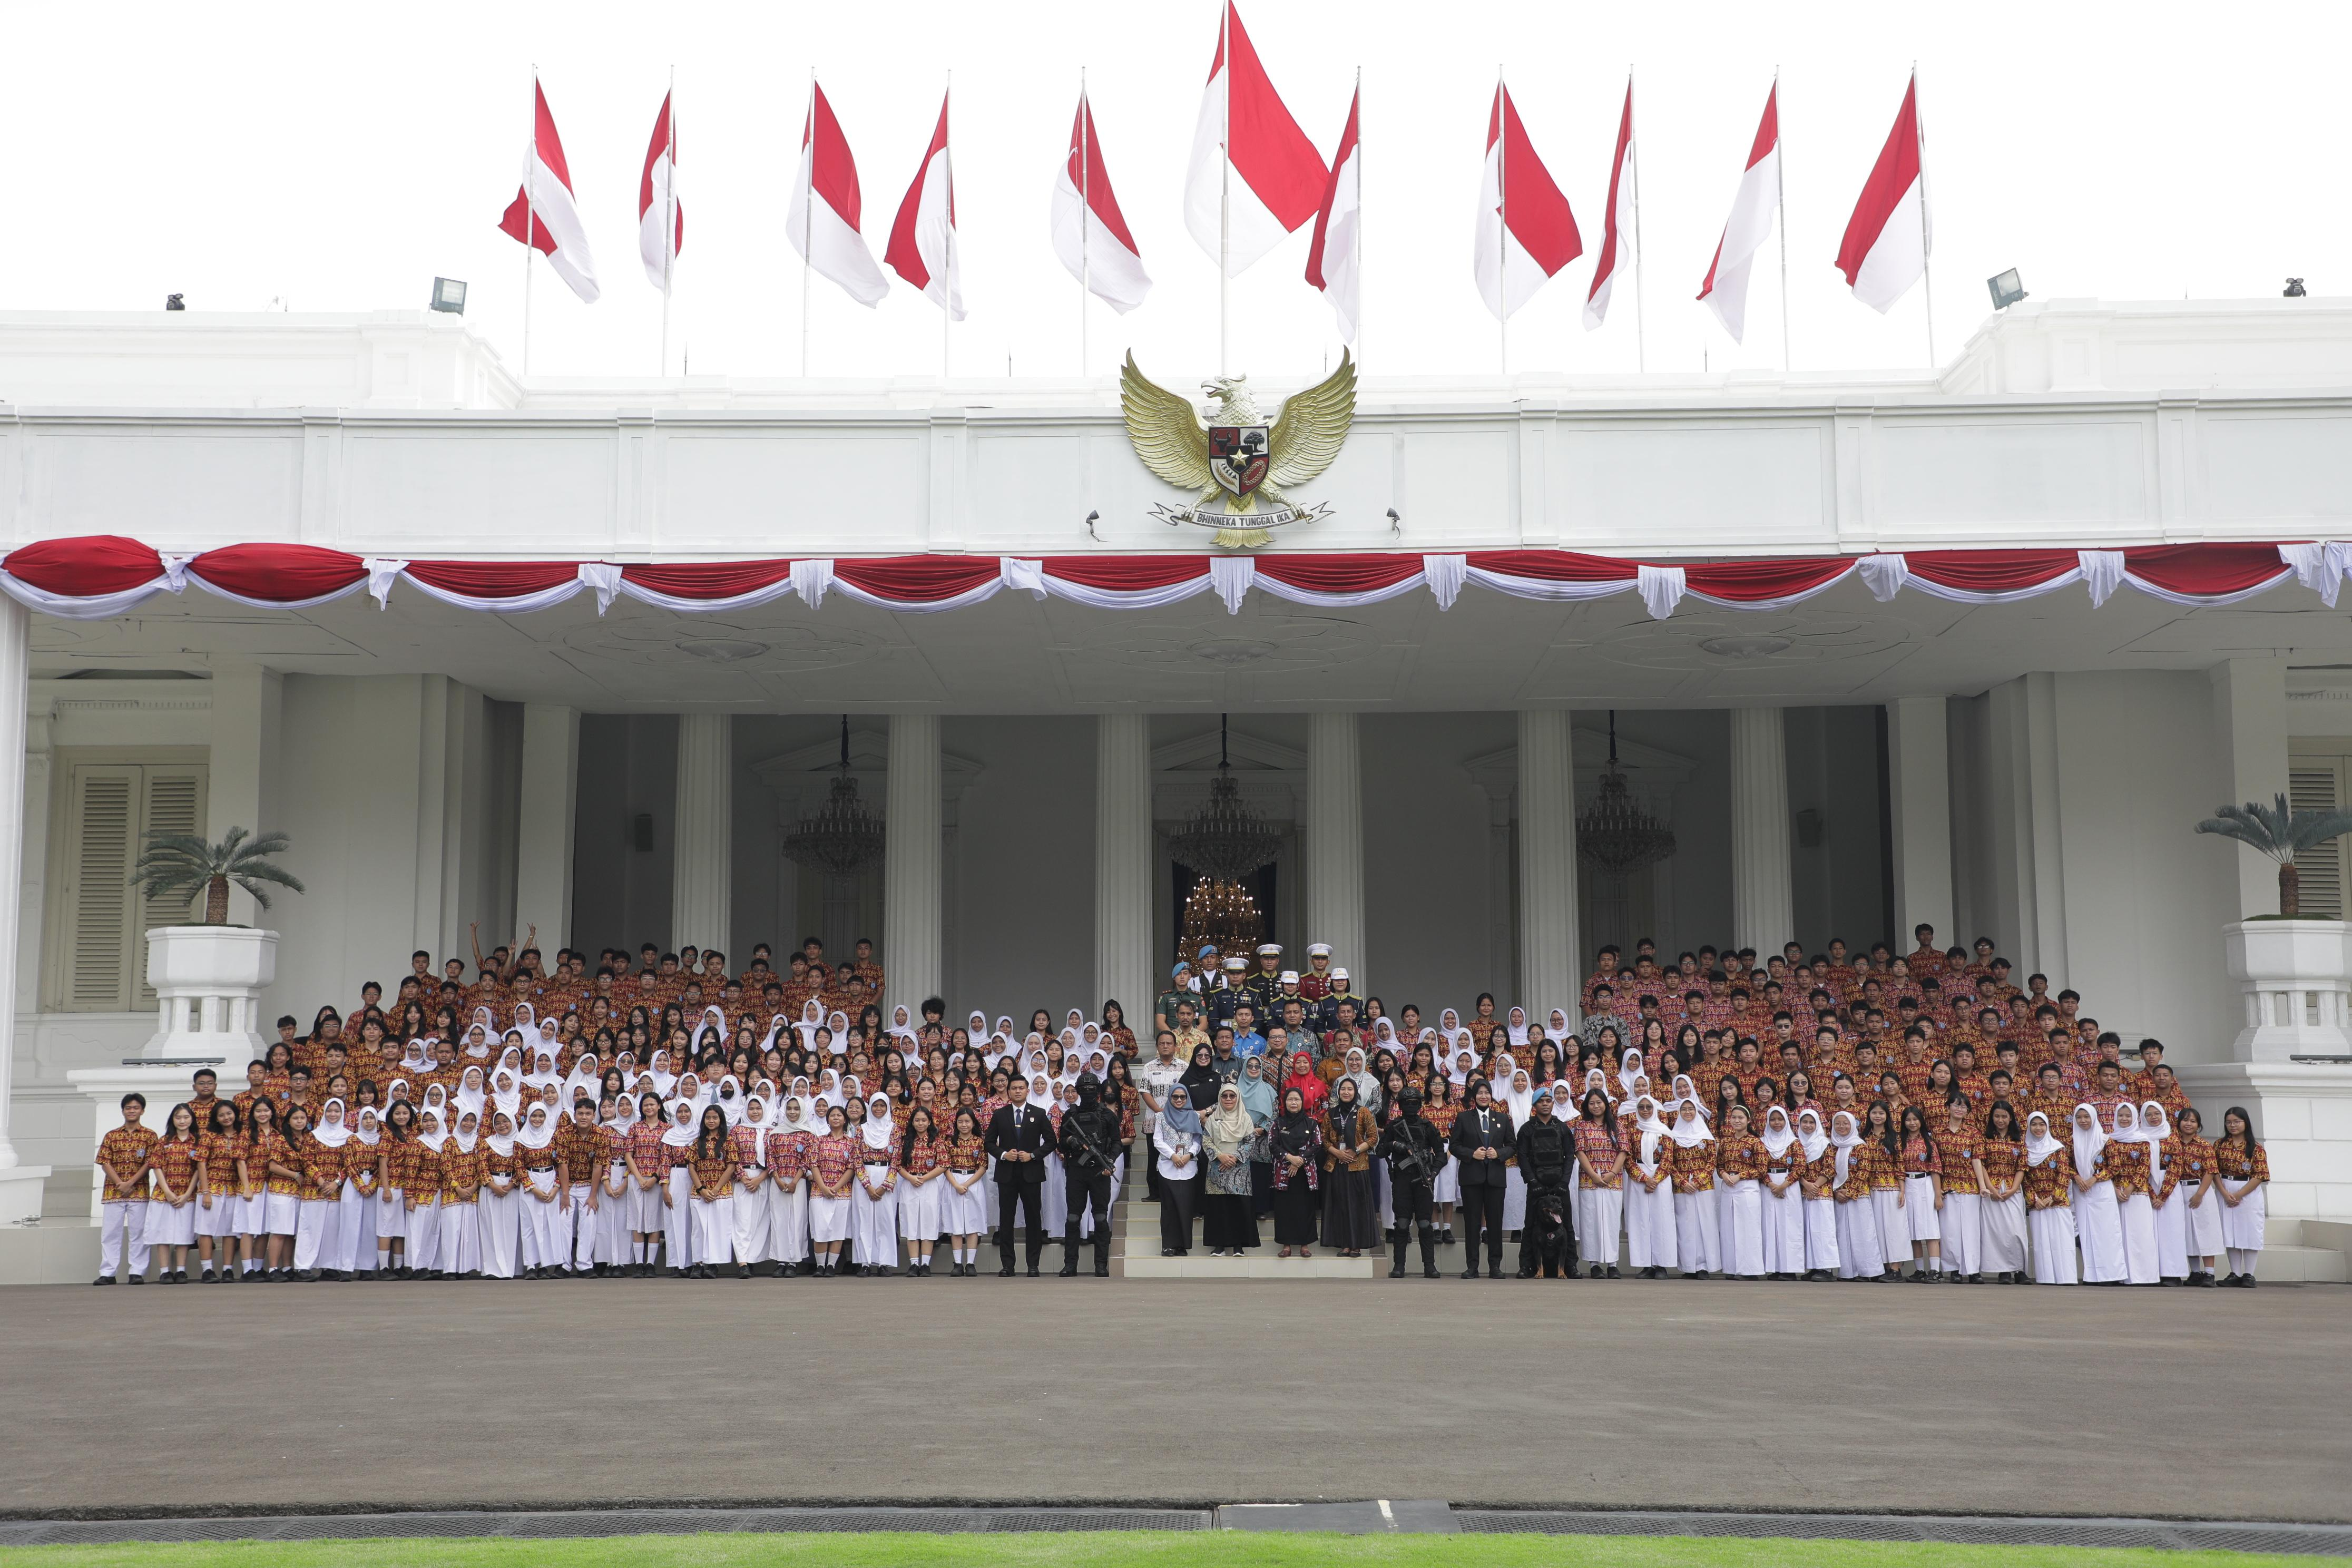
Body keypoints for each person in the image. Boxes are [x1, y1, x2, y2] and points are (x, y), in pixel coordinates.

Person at [985, 1077, 1052, 1277]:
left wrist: (1032, 1155)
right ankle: (1008, 1265)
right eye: (1013, 1088)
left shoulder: (1039, 1114)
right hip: (1007, 1174)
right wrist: (1005, 1155)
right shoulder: (999, 1114)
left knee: (1033, 1219)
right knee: (1006, 1220)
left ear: (1027, 1090)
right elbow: (989, 1142)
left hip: (1031, 1174)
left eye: (1021, 1088)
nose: (1017, 1091)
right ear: (1009, 1091)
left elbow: (1051, 1142)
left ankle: (1033, 1265)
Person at [1057, 1073, 1121, 1277]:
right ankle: (1070, 1265)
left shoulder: (1108, 1115)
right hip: (1076, 1170)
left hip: (1099, 1172)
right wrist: (1070, 1142)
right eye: (1083, 1090)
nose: (1088, 1093)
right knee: (1073, 1218)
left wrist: (1109, 1160)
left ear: (1098, 1091)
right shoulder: (1070, 1115)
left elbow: (1118, 1143)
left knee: (1101, 1218)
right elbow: (1060, 1141)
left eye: (1092, 1089)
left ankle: (1101, 1265)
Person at [1378, 1085, 1445, 1278]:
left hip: (1423, 1180)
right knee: (1401, 1223)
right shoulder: (1394, 1126)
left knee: (1425, 1223)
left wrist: (1434, 1171)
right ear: (1400, 1105)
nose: (1410, 1107)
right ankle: (1399, 1266)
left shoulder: (1427, 1127)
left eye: (1414, 1103)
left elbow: (1441, 1153)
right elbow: (1381, 1151)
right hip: (1402, 1179)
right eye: (1406, 1103)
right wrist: (1395, 1145)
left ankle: (1430, 1266)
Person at [1512, 1087, 1577, 1281]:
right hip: (1536, 1184)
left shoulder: (1562, 1128)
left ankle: (1571, 1266)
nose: (1546, 1104)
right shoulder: (1527, 1129)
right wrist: (1532, 1181)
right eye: (1542, 1101)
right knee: (1530, 1225)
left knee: (1567, 1226)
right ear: (1535, 1105)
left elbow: (1569, 1156)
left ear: (1553, 1103)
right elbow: (1522, 1156)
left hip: (1559, 1184)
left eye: (1549, 1100)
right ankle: (1526, 1266)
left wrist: (1564, 1181)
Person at [1449, 1080, 1512, 1280]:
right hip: (1471, 1178)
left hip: (1495, 1178)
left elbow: (1513, 1146)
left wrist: (1499, 1153)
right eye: (1479, 1093)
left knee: (1495, 1223)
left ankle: (1495, 1265)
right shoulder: (1464, 1118)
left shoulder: (1502, 1118)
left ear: (1491, 1096)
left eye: (1487, 1093)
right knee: (1472, 1223)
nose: (1483, 1096)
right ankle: (1472, 1266)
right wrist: (1471, 1154)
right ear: (1473, 1096)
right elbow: (1455, 1145)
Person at [94, 1093, 156, 1286]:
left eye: (136, 1108)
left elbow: (150, 1162)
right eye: (128, 1108)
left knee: (138, 1232)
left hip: (139, 1192)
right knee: (111, 1233)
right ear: (123, 1110)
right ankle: (108, 1272)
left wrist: (131, 1183)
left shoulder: (150, 1135)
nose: (132, 1111)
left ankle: (137, 1271)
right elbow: (104, 1162)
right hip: (114, 1192)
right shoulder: (112, 1135)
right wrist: (120, 1183)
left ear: (143, 1111)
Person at [1319, 1075, 1379, 1258]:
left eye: (1350, 1089)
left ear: (1355, 1092)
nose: (1346, 1092)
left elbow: (1373, 1137)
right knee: (1340, 1205)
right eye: (1343, 1089)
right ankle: (1344, 1244)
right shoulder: (1331, 1113)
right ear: (1338, 1092)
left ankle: (1357, 1245)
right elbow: (1324, 1138)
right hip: (1336, 1165)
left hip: (1357, 1165)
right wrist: (1336, 1152)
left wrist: (1355, 1151)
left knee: (1357, 1206)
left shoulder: (1364, 1112)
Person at [1572, 1089, 1624, 1278]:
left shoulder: (1617, 1126)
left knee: (1610, 1222)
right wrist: (1593, 1175)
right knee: (1590, 1222)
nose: (1596, 1106)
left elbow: (1623, 1151)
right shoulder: (1582, 1126)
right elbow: (1580, 1151)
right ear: (1587, 1106)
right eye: (1592, 1103)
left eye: (1599, 1102)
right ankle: (1594, 1265)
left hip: (1613, 1181)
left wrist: (1612, 1173)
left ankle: (1613, 1264)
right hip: (1589, 1181)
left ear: (1606, 1104)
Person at [2071, 1103, 2126, 1285]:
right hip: (2081, 1192)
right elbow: (2067, 1166)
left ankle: (2112, 1275)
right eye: (2079, 1117)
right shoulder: (2072, 1141)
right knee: (2087, 1233)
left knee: (2107, 1232)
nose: (2083, 1121)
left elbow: (2115, 1166)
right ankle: (2092, 1276)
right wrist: (2078, 1178)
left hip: (2102, 1190)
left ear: (2094, 1118)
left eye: (2087, 1117)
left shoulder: (2105, 1140)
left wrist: (2094, 1179)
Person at [1201, 1084, 1258, 1256]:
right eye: (1224, 1096)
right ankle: (1219, 1245)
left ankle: (1238, 1245)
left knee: (1238, 1208)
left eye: (1232, 1096)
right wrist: (1220, 1156)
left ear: (1237, 1098)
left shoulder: (1245, 1118)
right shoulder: (1213, 1119)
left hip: (1239, 1170)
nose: (1228, 1099)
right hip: (1217, 1170)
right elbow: (1207, 1140)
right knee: (1219, 1208)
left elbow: (1250, 1141)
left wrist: (1234, 1158)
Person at [2216, 1105, 2269, 1287]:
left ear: (2245, 1122)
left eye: (2237, 1121)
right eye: (2229, 1122)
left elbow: (2260, 1175)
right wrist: (2224, 1193)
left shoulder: (2255, 1147)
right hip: (2225, 1188)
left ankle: (2249, 1274)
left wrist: (2238, 1195)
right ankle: (2235, 1273)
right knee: (2230, 1232)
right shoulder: (2220, 1145)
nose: (2233, 1125)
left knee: (2250, 1232)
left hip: (2248, 1191)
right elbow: (2213, 1171)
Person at [1623, 1096, 1676, 1279]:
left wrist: (1655, 1180)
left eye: (1648, 1107)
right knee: (1641, 1221)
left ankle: (1662, 1265)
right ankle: (1646, 1265)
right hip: (1639, 1178)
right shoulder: (1631, 1131)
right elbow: (1627, 1158)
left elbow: (1668, 1159)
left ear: (1655, 1109)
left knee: (1661, 1220)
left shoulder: (1664, 1131)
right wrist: (1644, 1179)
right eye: (1641, 1107)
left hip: (1660, 1178)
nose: (1645, 1110)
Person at [1267, 1086, 1320, 1259]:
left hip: (1305, 1174)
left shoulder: (1311, 1123)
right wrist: (1289, 1158)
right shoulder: (1278, 1123)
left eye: (1297, 1099)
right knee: (1285, 1209)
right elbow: (1273, 1145)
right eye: (1290, 1100)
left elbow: (1317, 1144)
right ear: (1285, 1102)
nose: (1294, 1103)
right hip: (1283, 1174)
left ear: (1302, 1102)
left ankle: (1305, 1245)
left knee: (1305, 1208)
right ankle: (1286, 1245)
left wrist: (1299, 1161)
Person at [1154, 1084, 1206, 1257]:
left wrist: (1189, 1155)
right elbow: (1157, 1140)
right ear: (1170, 1098)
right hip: (1168, 1167)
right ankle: (1168, 1245)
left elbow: (1198, 1140)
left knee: (1186, 1208)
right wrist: (1173, 1156)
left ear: (1187, 1098)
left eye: (1182, 1097)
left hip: (1188, 1167)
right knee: (1169, 1209)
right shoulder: (1161, 1117)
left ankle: (1182, 1245)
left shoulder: (1194, 1116)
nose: (1179, 1100)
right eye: (1175, 1097)